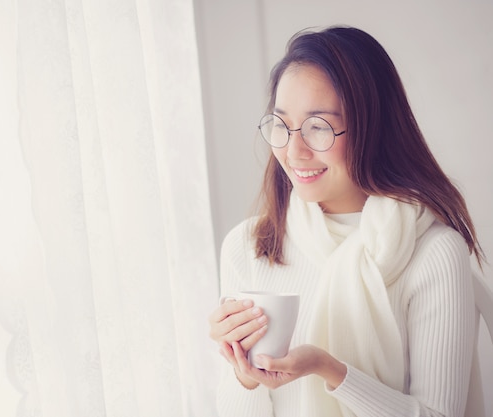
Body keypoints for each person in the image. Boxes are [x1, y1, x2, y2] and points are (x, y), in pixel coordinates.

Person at [208, 25, 486, 417]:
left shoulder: (433, 253)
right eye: (282, 125)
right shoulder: (249, 246)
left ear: (374, 128)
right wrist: (245, 377)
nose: (294, 150)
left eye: (318, 127)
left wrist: (329, 370)